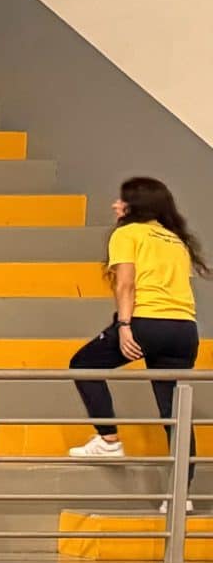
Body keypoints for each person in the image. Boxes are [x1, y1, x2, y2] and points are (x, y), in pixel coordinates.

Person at [69, 176, 207, 459]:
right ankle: (184, 485)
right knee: (174, 410)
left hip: (147, 321)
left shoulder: (128, 233)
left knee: (83, 365)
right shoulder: (176, 240)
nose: (115, 205)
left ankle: (108, 440)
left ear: (135, 205)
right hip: (184, 329)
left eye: (122, 200)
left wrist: (124, 325)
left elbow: (126, 284)